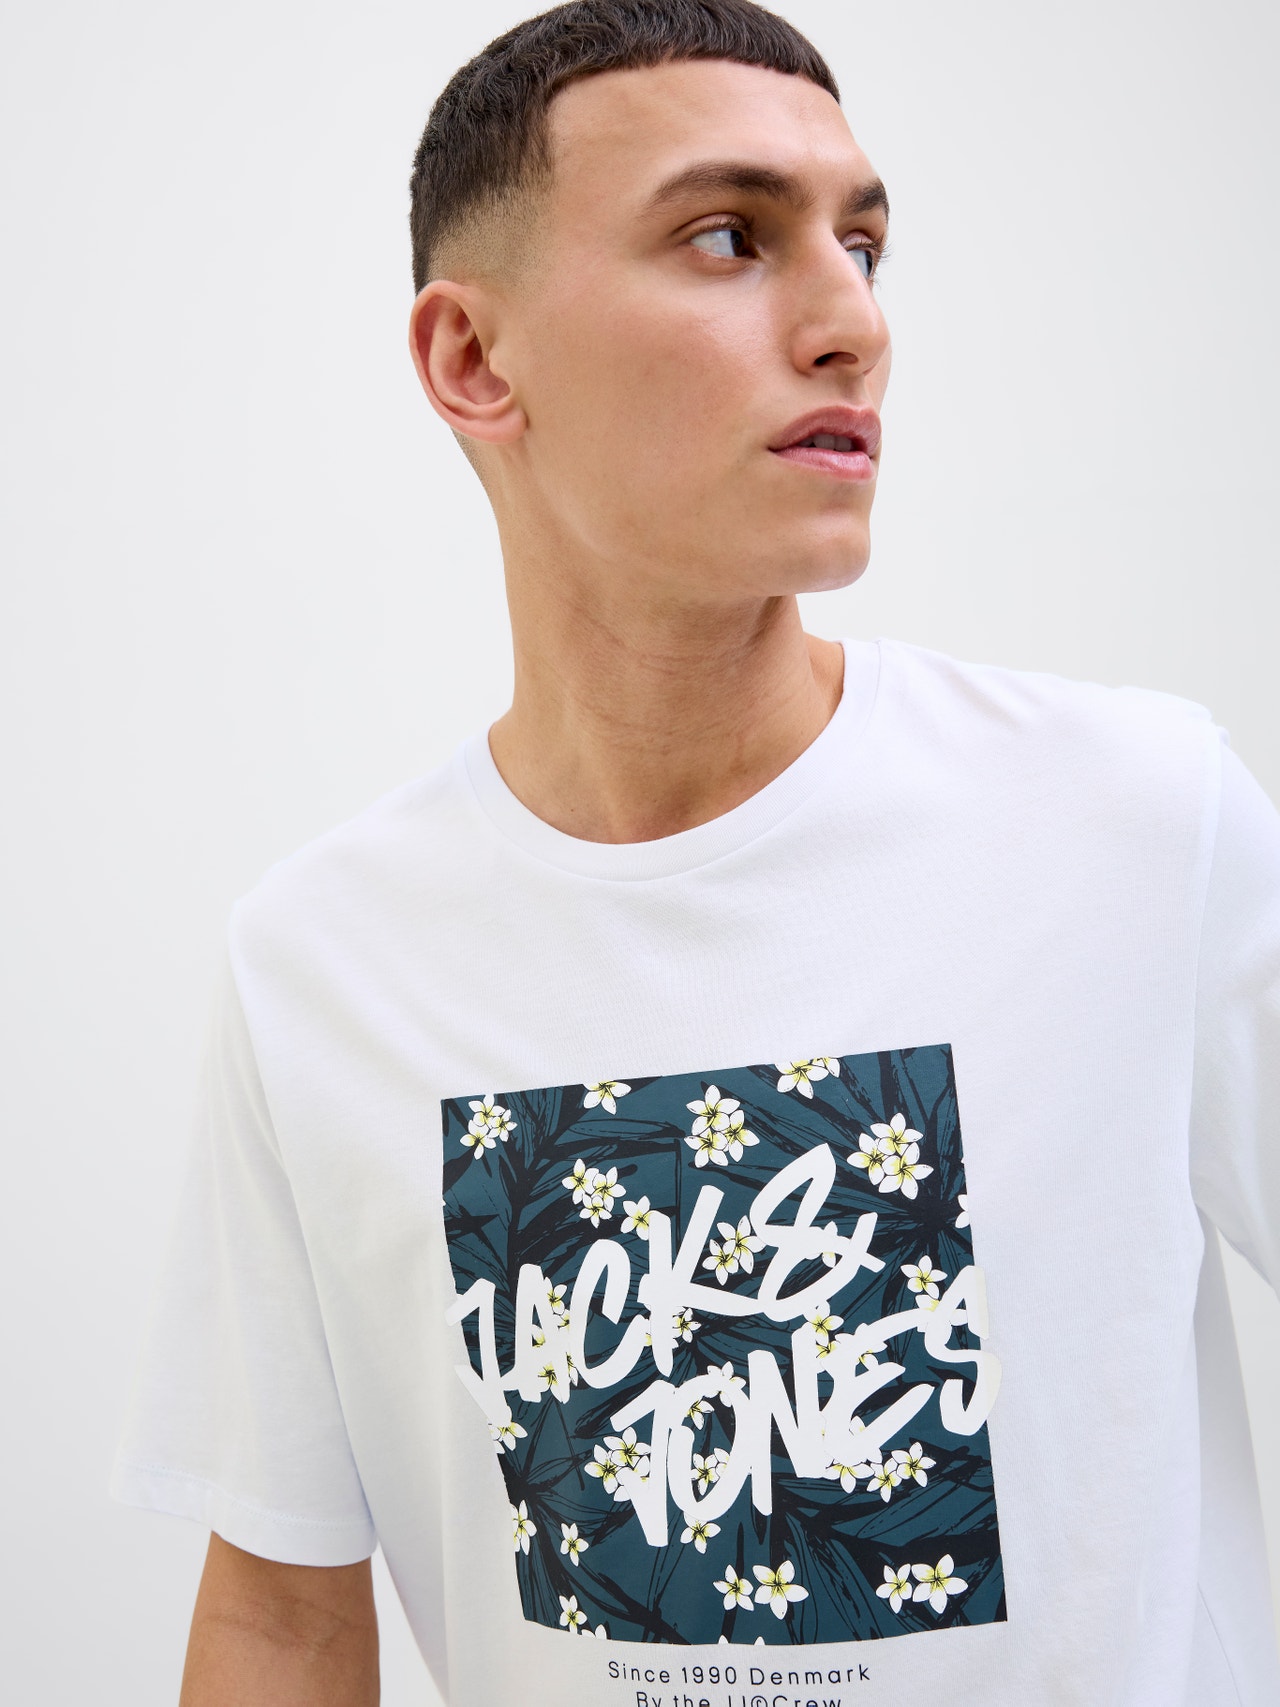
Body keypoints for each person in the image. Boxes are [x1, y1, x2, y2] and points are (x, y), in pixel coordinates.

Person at [110, 2, 1280, 1702]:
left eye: (863, 244)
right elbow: (283, 1611)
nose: (852, 323)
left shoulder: (1137, 822)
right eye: (730, 237)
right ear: (473, 358)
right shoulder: (323, 962)